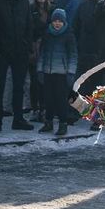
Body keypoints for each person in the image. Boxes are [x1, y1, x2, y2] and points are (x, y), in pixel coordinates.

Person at [0, 0, 33, 132]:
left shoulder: (24, 2)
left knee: (19, 86)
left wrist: (27, 45)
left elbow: (29, 25)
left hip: (20, 50)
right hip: (3, 50)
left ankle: (18, 119)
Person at [36, 8, 77, 137]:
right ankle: (48, 122)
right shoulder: (47, 34)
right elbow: (42, 54)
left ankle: (63, 123)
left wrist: (70, 72)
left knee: (60, 99)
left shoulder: (69, 36)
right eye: (55, 21)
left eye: (60, 21)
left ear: (64, 22)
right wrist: (40, 70)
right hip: (48, 71)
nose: (57, 23)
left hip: (62, 73)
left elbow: (73, 55)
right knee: (48, 98)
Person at [28, 0, 51, 122]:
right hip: (35, 48)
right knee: (35, 81)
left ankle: (45, 108)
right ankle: (35, 108)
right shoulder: (31, 10)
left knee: (46, 82)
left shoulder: (52, 9)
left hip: (48, 49)